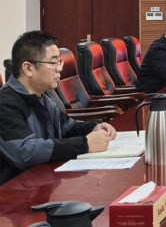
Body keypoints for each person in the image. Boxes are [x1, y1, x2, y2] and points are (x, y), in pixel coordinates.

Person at [0, 31, 116, 184]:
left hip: (44, 181)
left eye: (59, 62)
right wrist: (85, 144)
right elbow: (26, 151)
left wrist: (93, 127)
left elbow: (66, 126)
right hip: (15, 191)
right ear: (28, 68)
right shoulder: (5, 103)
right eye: (53, 62)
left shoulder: (43, 96)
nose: (59, 68)